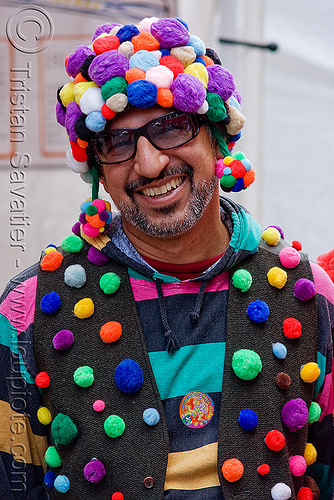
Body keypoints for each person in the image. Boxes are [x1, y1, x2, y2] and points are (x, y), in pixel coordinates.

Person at [0, 15, 333, 500]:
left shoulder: (308, 293)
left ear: (217, 138)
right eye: (116, 142)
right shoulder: (28, 311)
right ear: (97, 170)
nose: (150, 164)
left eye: (172, 128)